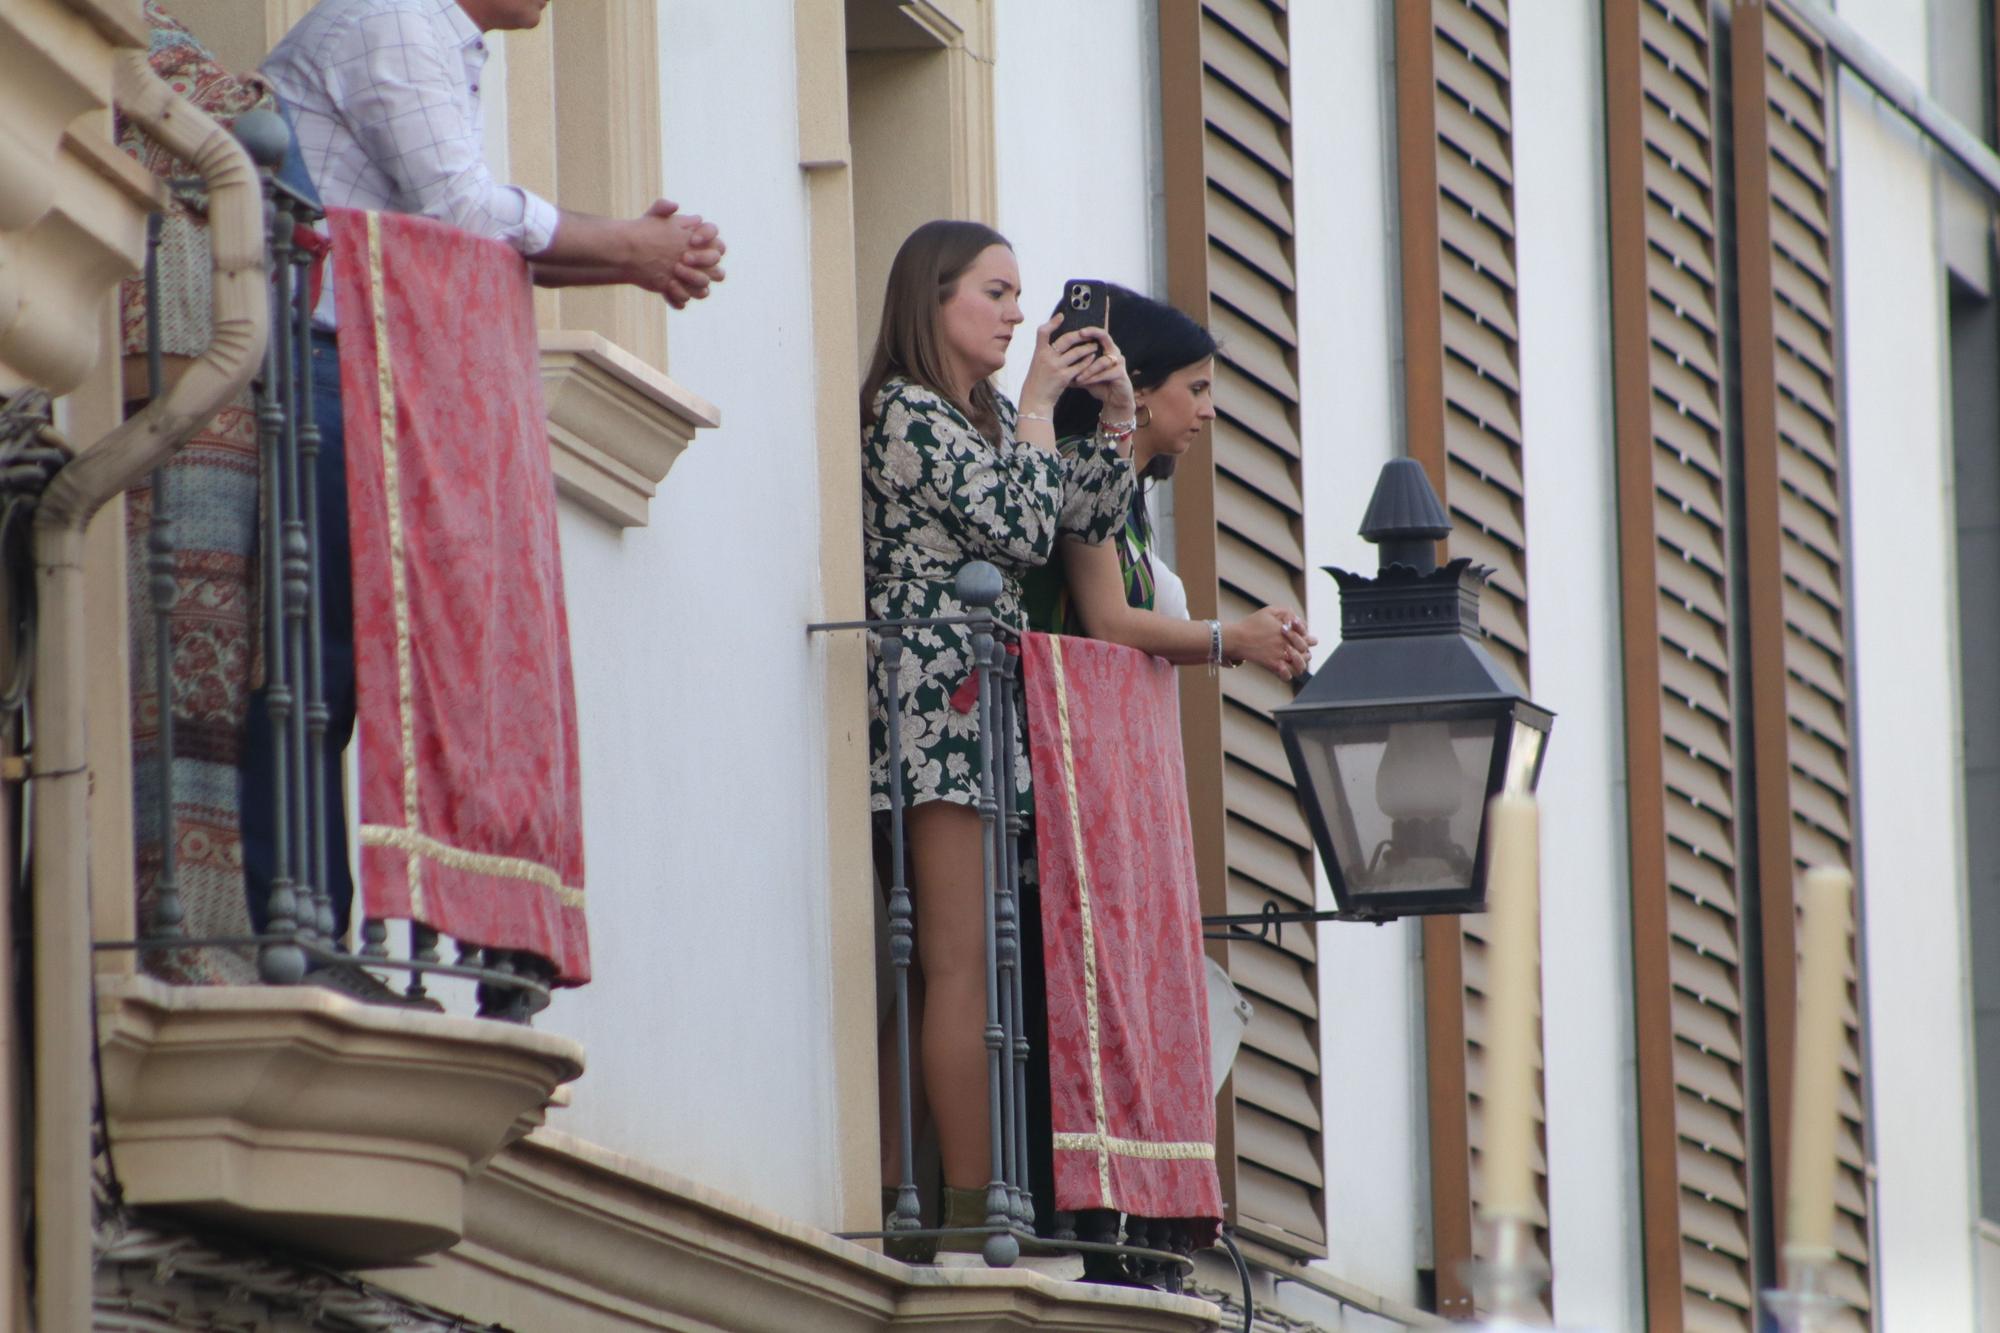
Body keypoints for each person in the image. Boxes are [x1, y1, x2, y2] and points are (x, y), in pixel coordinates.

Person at [251, 0, 727, 957]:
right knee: (318, 661)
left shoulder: (429, 34)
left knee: (345, 665)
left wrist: (628, 255)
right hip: (318, 364)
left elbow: (465, 229)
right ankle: (292, 932)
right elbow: (464, 213)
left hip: (359, 370)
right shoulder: (396, 18)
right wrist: (631, 248)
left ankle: (315, 930)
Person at [861, 220, 1136, 1247]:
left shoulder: (967, 422)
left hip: (972, 715)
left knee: (953, 965)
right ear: (932, 299)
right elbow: (1022, 532)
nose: (1020, 314)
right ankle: (974, 1207)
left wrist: (1106, 426)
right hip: (938, 710)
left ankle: (931, 1187)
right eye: (996, 291)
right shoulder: (905, 412)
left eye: (1022, 295)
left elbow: (1079, 524)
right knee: (954, 964)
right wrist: (1032, 408)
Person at [1026, 284, 1313, 677]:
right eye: (1197, 389)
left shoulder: (1122, 485)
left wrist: (1245, 636)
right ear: (1139, 389)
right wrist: (1233, 637)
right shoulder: (1081, 463)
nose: (1209, 411)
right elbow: (1110, 622)